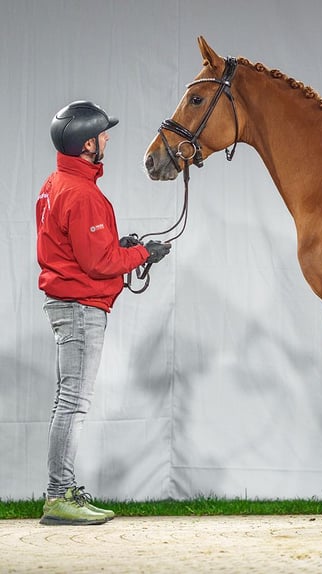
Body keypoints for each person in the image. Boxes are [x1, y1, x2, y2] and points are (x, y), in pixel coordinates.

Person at [36, 100, 171, 525]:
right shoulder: (81, 193)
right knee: (73, 403)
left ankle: (62, 492)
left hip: (69, 304)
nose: (108, 138)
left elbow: (84, 250)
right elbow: (98, 264)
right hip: (80, 309)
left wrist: (124, 247)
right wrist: (140, 254)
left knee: (69, 401)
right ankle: (59, 496)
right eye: (102, 135)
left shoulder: (55, 183)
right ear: (86, 143)